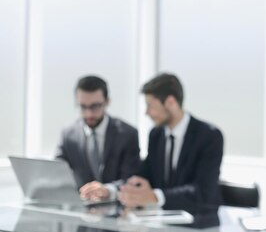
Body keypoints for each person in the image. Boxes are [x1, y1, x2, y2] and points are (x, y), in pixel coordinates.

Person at [117, 73, 224, 214]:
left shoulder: (209, 135)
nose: (146, 112)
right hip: (164, 223)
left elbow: (203, 191)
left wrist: (155, 196)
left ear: (171, 102)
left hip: (201, 223)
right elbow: (144, 174)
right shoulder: (156, 134)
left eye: (150, 106)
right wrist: (117, 190)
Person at [56, 75, 140, 200]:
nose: (89, 113)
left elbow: (131, 179)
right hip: (80, 208)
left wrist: (108, 190)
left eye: (95, 106)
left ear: (107, 102)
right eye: (83, 107)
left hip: (117, 210)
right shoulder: (68, 135)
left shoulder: (127, 134)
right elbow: (56, 171)